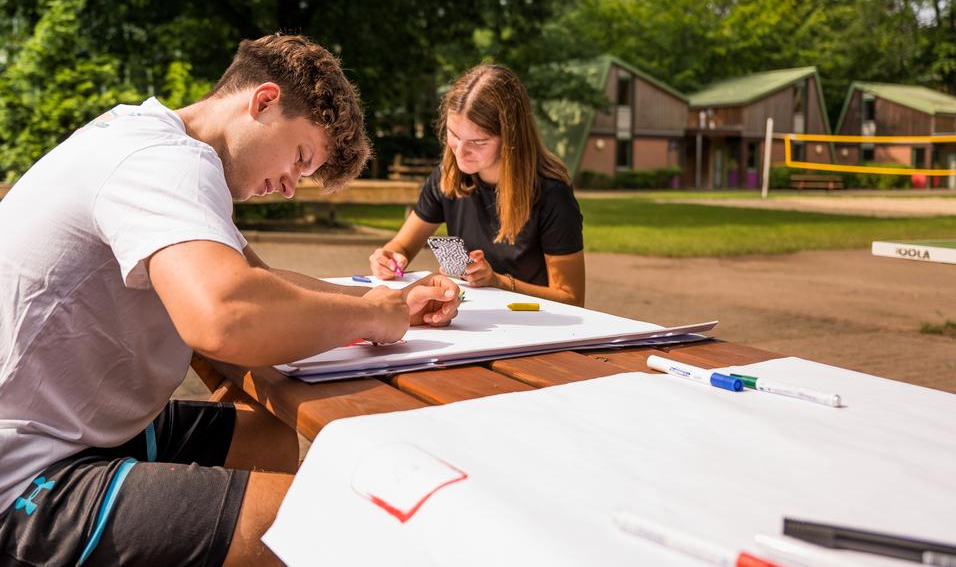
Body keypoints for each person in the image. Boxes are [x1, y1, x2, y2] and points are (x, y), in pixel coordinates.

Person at [0, 34, 460, 566]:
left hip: (82, 425)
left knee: (269, 438)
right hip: (26, 469)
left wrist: (392, 300)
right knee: (330, 520)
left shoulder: (141, 134)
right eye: (300, 157)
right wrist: (374, 317)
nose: (291, 186)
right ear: (263, 101)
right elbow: (226, 314)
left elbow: (261, 280)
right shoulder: (168, 160)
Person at [369, 64, 585, 306]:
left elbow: (571, 298)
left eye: (478, 141)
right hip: (476, 320)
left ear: (510, 139)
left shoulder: (552, 194)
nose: (461, 152)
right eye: (454, 134)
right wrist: (390, 258)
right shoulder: (447, 177)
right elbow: (402, 246)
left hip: (539, 327)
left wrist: (498, 281)